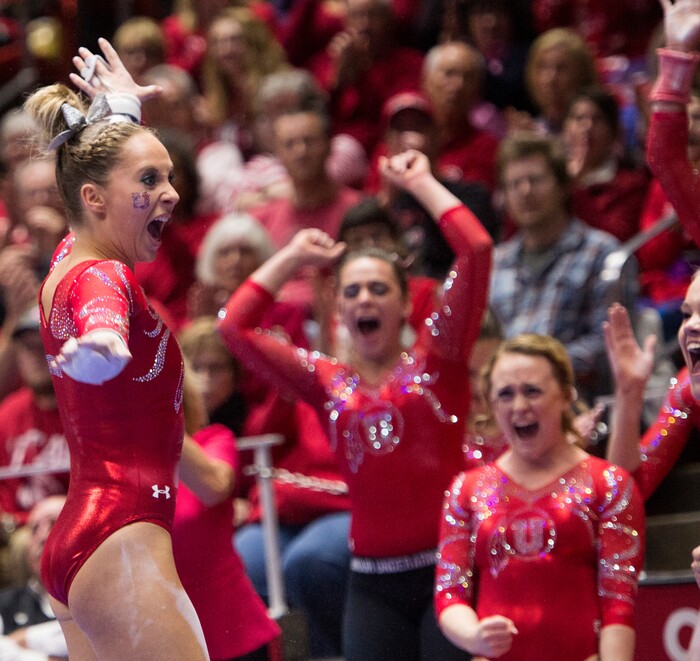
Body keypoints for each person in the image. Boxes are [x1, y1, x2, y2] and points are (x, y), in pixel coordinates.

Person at [219, 148, 492, 660]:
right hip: (371, 585)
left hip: (450, 572)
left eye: (378, 289)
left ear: (405, 302)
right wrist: (294, 256)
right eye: (353, 291)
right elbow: (234, 327)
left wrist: (424, 184)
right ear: (339, 309)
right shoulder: (326, 381)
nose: (364, 298)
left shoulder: (441, 357)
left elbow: (476, 249)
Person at [24, 38, 209, 660]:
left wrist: (121, 111)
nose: (172, 193)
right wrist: (103, 346)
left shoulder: (69, 258)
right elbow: (102, 320)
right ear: (93, 200)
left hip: (88, 535)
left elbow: (96, 180)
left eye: (170, 177)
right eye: (151, 181)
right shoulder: (103, 276)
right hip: (120, 538)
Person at [435, 332, 645, 660]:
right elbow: (449, 595)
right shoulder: (467, 490)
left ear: (565, 395)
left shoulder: (609, 483)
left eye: (532, 391)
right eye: (505, 394)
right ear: (491, 404)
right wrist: (474, 636)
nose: (519, 406)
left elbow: (618, 604)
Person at [489, 131, 635, 404]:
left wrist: (536, 373)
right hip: (505, 408)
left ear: (563, 186)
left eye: (536, 180)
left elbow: (609, 346)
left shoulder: (602, 254)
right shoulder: (495, 263)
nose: (525, 191)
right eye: (514, 183)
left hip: (575, 406)